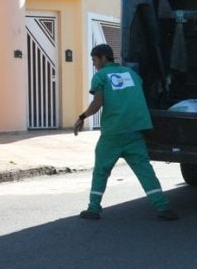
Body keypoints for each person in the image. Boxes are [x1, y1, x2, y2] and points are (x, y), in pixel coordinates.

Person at [74, 44, 178, 221]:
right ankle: (163, 207)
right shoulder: (132, 75)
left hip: (113, 133)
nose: (94, 64)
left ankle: (93, 208)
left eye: (94, 60)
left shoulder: (101, 76)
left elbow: (97, 103)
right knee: (145, 171)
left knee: (101, 170)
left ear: (103, 58)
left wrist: (82, 117)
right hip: (135, 130)